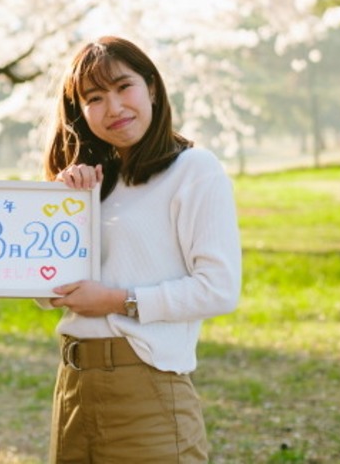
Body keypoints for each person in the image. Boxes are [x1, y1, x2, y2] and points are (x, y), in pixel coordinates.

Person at [41, 36, 242, 463]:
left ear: (151, 87)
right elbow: (47, 292)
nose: (113, 108)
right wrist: (65, 210)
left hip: (146, 384)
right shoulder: (90, 185)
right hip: (74, 384)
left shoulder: (194, 170)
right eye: (94, 97)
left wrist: (117, 300)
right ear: (80, 112)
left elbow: (219, 289)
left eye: (123, 87)